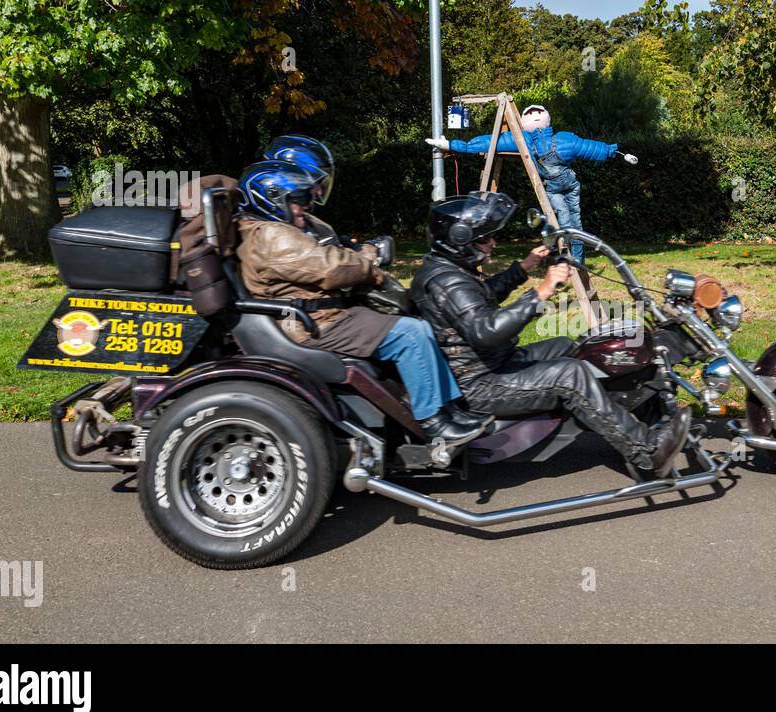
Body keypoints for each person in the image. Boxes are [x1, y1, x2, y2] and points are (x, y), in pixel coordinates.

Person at [410, 191, 691, 477]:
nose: (493, 242)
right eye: (485, 238)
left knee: (574, 345)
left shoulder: (448, 270)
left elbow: (482, 298)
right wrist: (542, 291)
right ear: (459, 240)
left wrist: (524, 267)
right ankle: (647, 452)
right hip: (480, 384)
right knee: (571, 375)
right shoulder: (448, 281)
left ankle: (641, 414)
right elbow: (487, 331)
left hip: (493, 362)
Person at [235, 159, 490, 444]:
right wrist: (372, 256)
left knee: (418, 325)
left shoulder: (269, 230)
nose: (307, 204)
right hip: (316, 325)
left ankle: (450, 407)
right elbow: (332, 269)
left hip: (325, 316)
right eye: (299, 199)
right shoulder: (271, 235)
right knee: (411, 334)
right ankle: (433, 421)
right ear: (269, 198)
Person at [426, 105, 637, 263]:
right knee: (573, 221)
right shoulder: (563, 139)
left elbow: (490, 141)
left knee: (564, 219)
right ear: (547, 121)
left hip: (555, 187)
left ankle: (570, 254)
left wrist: (452, 144)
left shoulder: (523, 140)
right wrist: (613, 151)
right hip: (568, 184)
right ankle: (576, 259)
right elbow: (590, 147)